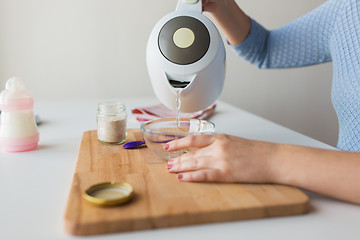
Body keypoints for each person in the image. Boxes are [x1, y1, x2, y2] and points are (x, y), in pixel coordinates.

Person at [164, 0, 360, 205]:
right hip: (339, 206)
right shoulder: (350, 8)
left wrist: (269, 159)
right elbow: (265, 48)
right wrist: (222, 5)